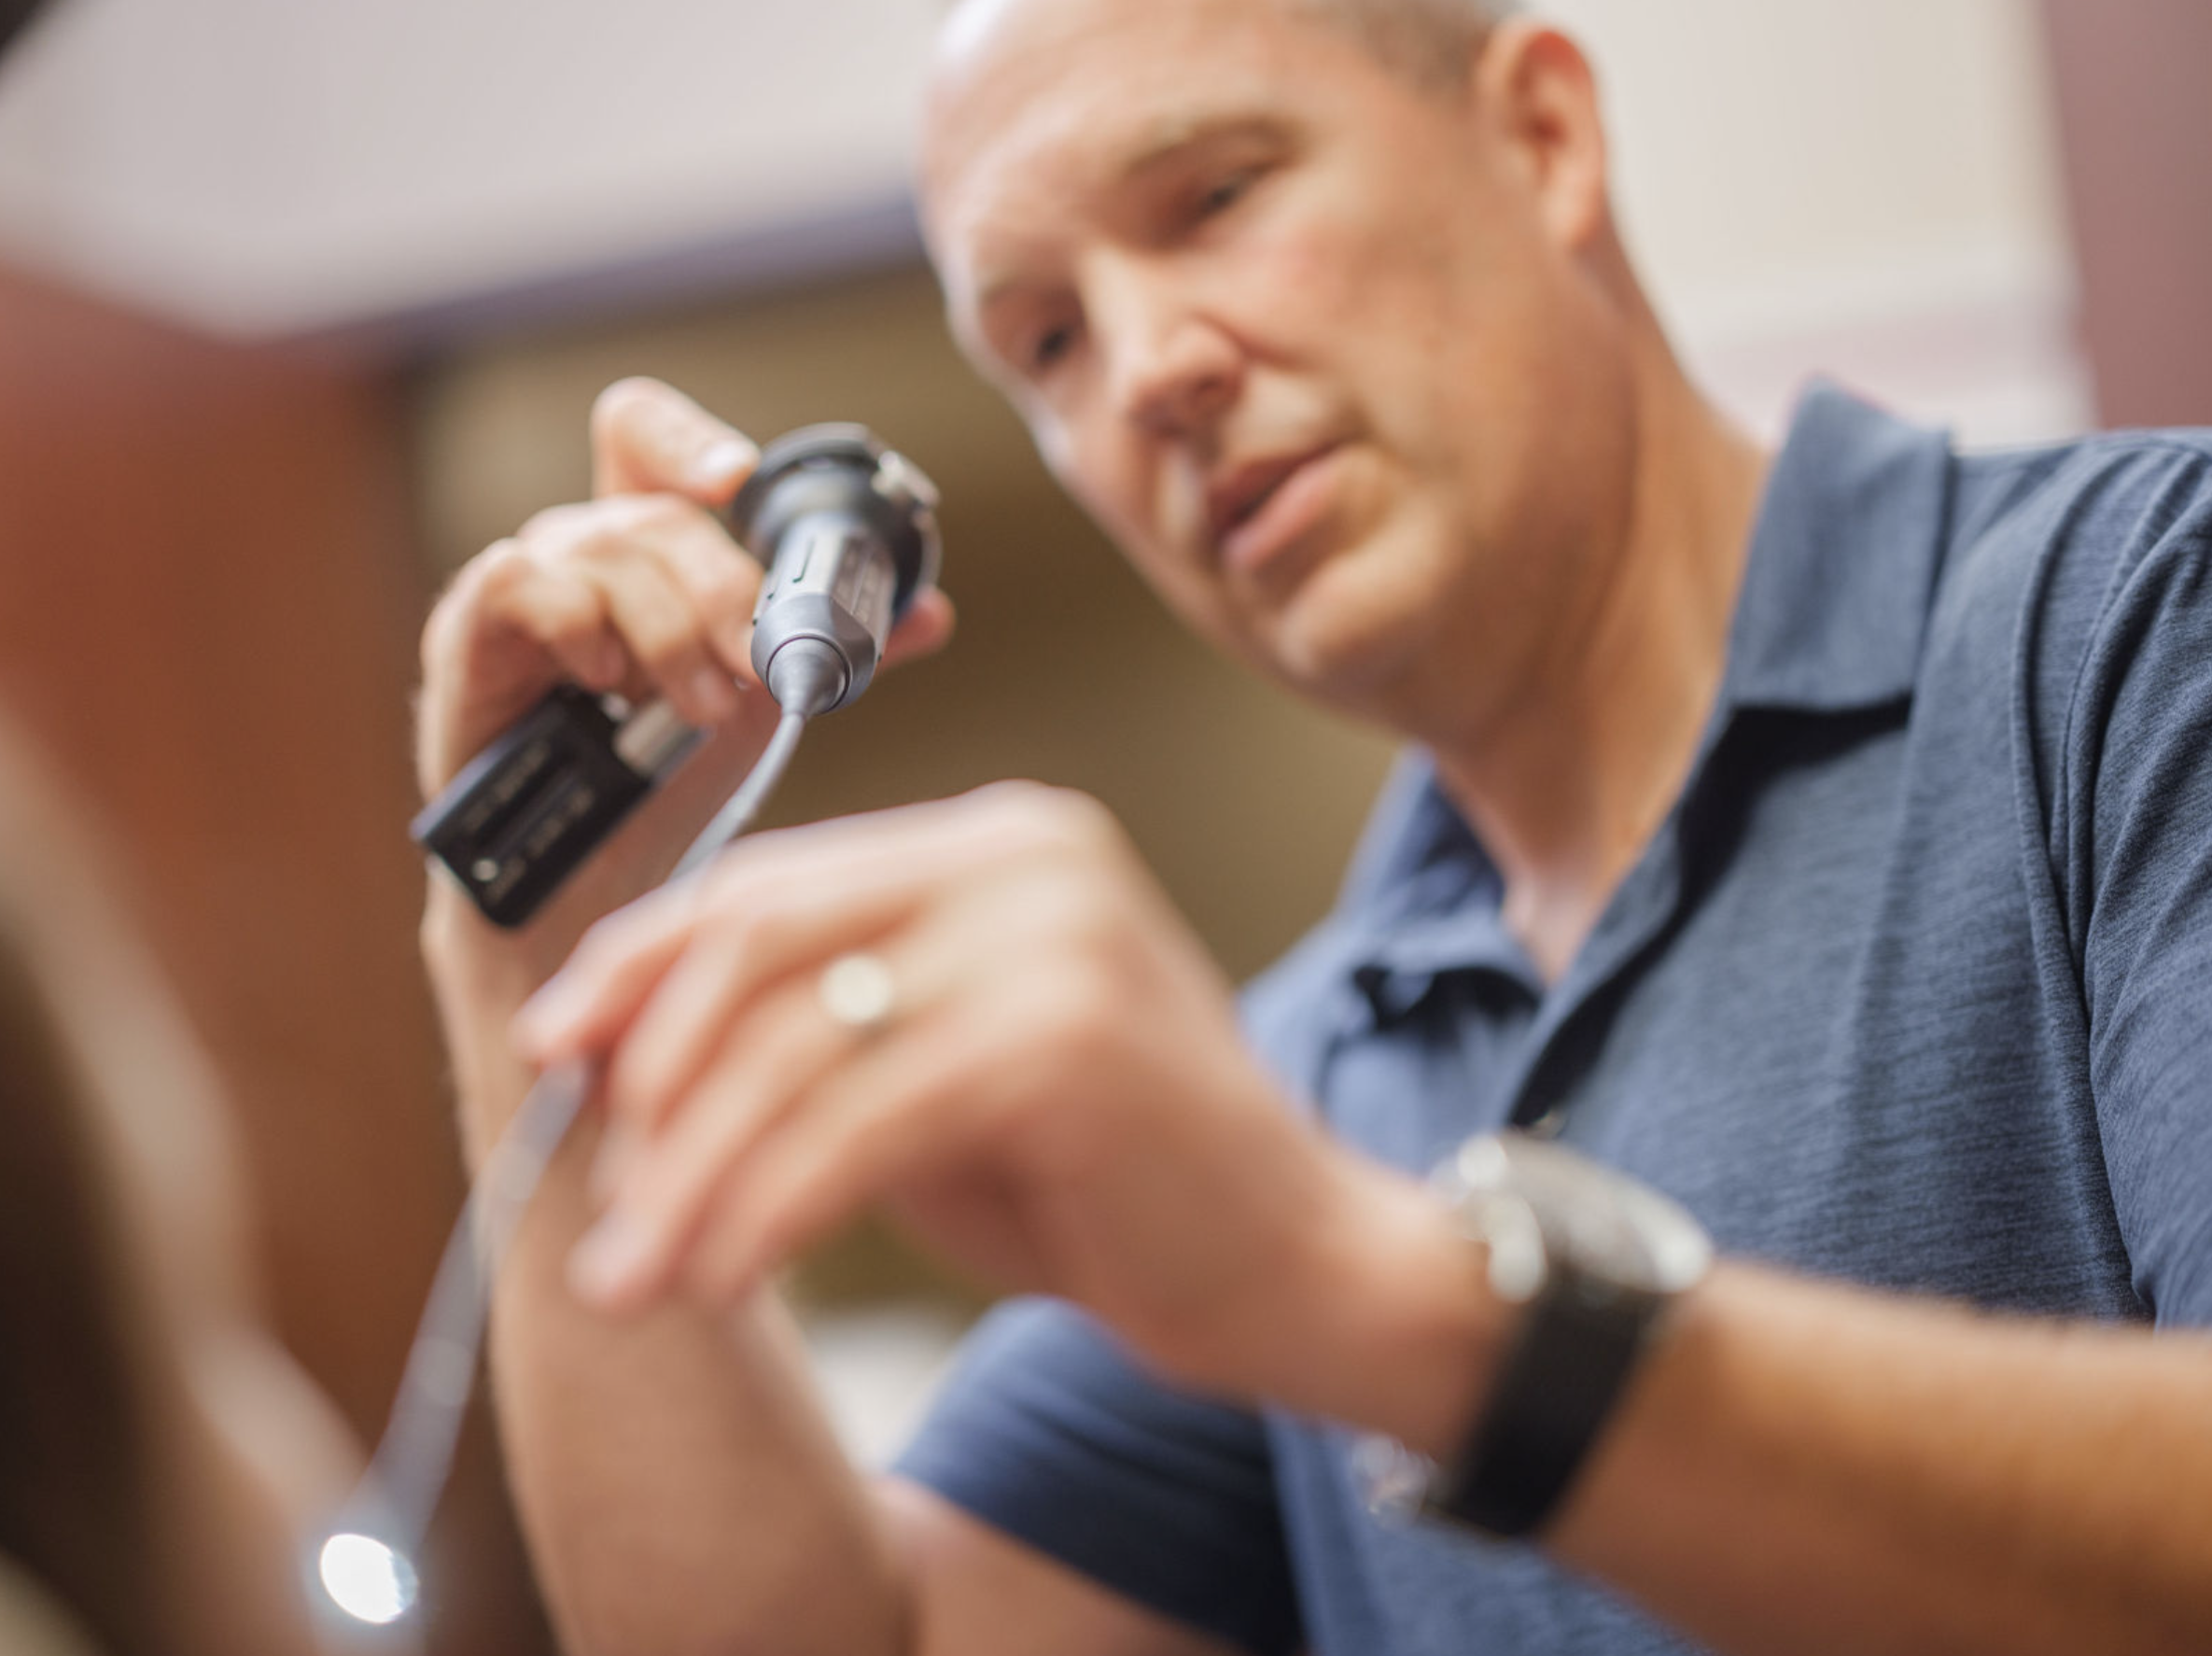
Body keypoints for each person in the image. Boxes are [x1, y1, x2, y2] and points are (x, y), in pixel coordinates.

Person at [413, 1, 2212, 1651]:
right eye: (1043, 336)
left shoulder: (2140, 620)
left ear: (1542, 138)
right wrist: (538, 954)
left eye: (1212, 197)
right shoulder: (1293, 1076)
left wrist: (1378, 1297)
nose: (1145, 371)